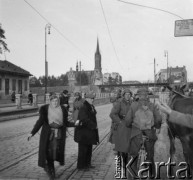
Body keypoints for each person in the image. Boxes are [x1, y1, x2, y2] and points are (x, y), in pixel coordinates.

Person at [27, 94, 74, 180]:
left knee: (55, 153)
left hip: (58, 135)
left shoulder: (62, 109)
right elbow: (40, 122)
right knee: (49, 153)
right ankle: (51, 170)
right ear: (50, 101)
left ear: (58, 101)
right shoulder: (45, 109)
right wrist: (32, 133)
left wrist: (75, 124)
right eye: (53, 101)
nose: (55, 103)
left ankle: (50, 168)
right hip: (48, 135)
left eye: (56, 101)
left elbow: (66, 123)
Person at [125, 87, 162, 178]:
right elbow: (159, 119)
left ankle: (131, 176)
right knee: (150, 156)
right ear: (147, 96)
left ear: (138, 95)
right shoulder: (152, 106)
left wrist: (130, 126)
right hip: (149, 134)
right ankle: (152, 174)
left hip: (136, 134)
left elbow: (127, 120)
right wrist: (157, 127)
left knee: (133, 156)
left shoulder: (133, 105)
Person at [74, 92, 99, 170]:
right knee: (83, 150)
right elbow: (84, 119)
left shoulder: (90, 106)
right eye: (91, 99)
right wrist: (94, 125)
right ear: (87, 99)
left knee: (89, 149)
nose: (93, 100)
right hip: (83, 133)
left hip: (89, 132)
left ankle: (87, 164)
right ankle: (81, 166)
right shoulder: (84, 107)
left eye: (93, 98)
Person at [109, 88, 132, 172]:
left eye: (129, 94)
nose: (128, 96)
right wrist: (119, 122)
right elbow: (112, 114)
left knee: (128, 146)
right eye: (126, 94)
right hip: (122, 127)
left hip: (129, 127)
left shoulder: (132, 103)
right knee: (121, 147)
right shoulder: (119, 103)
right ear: (123, 95)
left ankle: (126, 164)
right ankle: (121, 165)